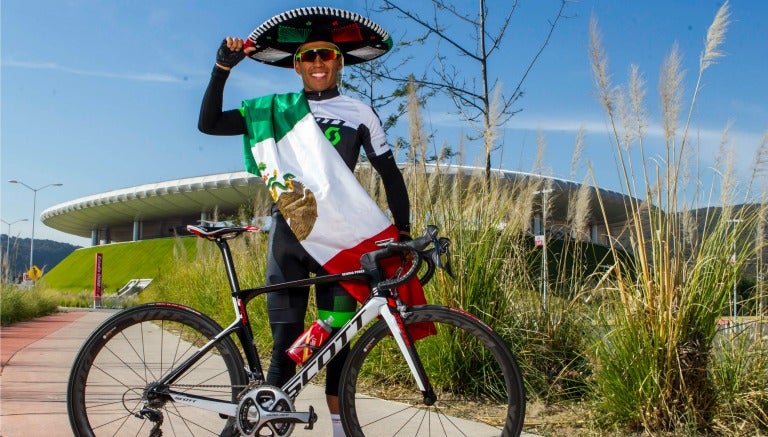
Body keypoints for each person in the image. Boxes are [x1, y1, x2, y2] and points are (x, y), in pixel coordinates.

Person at [198, 8, 411, 437]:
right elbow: (209, 123)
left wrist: (402, 232)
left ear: (340, 62)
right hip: (289, 239)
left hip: (339, 241)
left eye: (326, 55)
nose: (317, 62)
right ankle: (269, 418)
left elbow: (390, 174)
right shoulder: (273, 110)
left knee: (338, 338)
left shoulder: (359, 112)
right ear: (297, 65)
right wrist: (222, 68)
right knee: (284, 342)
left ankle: (338, 428)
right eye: (308, 55)